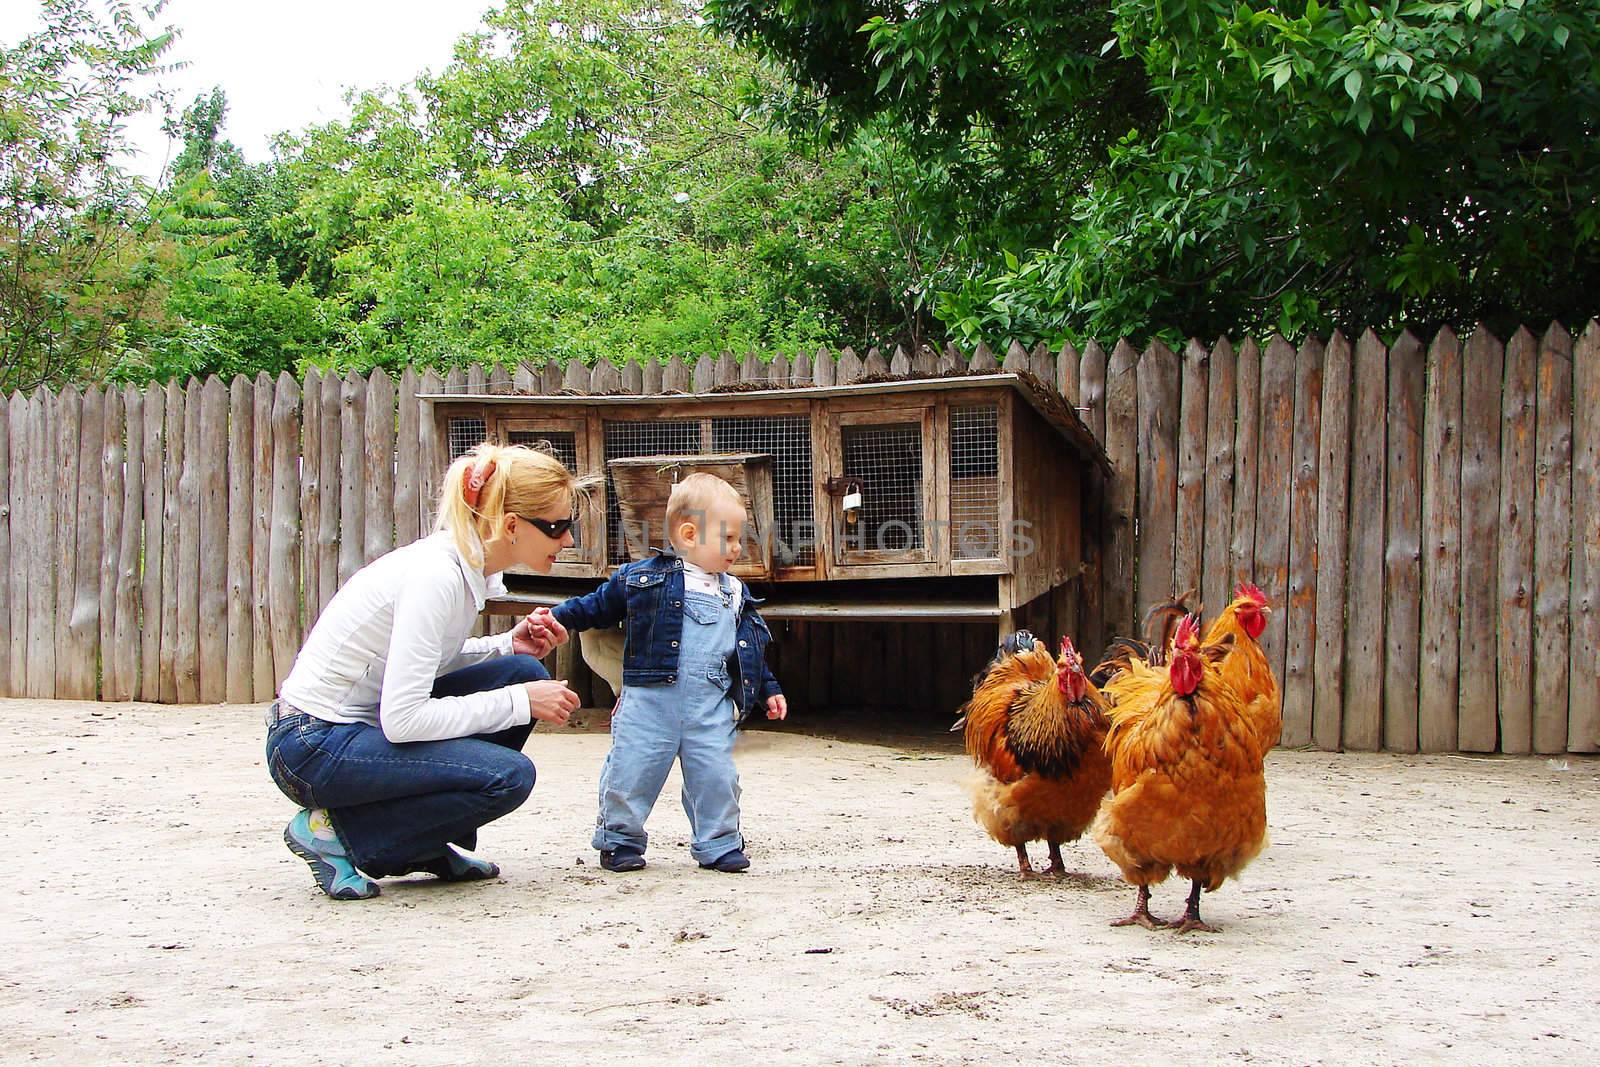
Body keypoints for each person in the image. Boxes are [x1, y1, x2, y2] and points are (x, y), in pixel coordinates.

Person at [264, 442, 589, 900]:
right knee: (510, 775)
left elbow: (418, 665)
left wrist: (504, 645)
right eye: (558, 527)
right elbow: (404, 719)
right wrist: (521, 703)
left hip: (352, 731)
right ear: (511, 525)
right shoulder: (436, 576)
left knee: (518, 668)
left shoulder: (461, 566)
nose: (568, 540)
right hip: (314, 745)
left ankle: (418, 843)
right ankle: (334, 832)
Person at [530, 473, 788, 874]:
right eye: (729, 538)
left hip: (710, 706)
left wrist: (768, 687)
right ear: (688, 534)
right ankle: (620, 839)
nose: (737, 548)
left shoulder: (734, 593)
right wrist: (558, 619)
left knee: (717, 776)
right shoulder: (645, 578)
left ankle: (718, 842)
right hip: (649, 702)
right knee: (632, 771)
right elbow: (596, 605)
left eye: (740, 538)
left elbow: (746, 650)